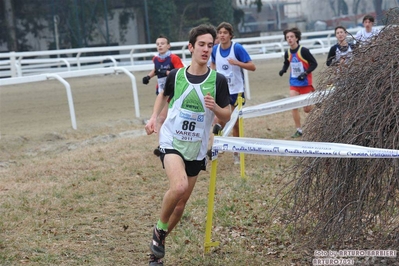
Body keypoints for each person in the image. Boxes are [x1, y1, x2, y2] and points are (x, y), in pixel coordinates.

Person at [144, 24, 231, 265]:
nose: (206, 49)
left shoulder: (218, 81)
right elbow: (163, 94)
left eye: (210, 46)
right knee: (179, 186)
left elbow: (227, 115)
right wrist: (153, 118)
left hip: (196, 148)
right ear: (191, 47)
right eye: (201, 45)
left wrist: (216, 108)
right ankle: (160, 231)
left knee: (180, 206)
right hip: (172, 140)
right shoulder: (176, 75)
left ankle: (156, 250)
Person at [210, 22, 256, 164]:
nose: (222, 35)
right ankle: (218, 144)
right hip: (222, 91)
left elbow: (252, 66)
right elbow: (212, 64)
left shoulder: (237, 48)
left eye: (225, 32)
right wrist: (213, 76)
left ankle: (237, 153)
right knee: (219, 120)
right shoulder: (215, 49)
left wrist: (237, 63)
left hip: (237, 91)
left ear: (230, 35)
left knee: (236, 123)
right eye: (220, 33)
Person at [142, 35, 185, 156]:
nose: (160, 45)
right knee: (161, 118)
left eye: (162, 43)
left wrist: (167, 73)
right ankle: (161, 146)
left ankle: (177, 143)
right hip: (162, 91)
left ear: (168, 45)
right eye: (157, 44)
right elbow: (156, 70)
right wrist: (148, 77)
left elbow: (181, 73)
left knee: (174, 118)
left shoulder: (173, 58)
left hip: (175, 92)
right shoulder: (155, 59)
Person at [278, 27, 318, 138]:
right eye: (287, 37)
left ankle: (316, 106)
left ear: (297, 38)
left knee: (307, 109)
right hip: (294, 83)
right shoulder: (288, 52)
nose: (289, 39)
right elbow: (286, 62)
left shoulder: (304, 51)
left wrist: (305, 73)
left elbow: (314, 64)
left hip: (305, 82)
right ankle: (299, 129)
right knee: (293, 105)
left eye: (291, 37)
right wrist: (283, 69)